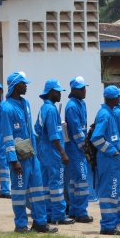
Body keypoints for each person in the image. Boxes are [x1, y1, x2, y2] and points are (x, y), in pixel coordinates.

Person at [1, 72, 57, 233]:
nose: (26, 86)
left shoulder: (25, 103)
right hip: (19, 158)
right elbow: (7, 136)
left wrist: (36, 153)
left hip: (32, 156)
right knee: (19, 192)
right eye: (23, 83)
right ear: (14, 86)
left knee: (37, 190)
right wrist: (13, 160)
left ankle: (40, 222)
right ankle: (20, 225)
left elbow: (31, 132)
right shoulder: (6, 108)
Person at [91, 85, 120, 235]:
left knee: (118, 193)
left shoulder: (111, 113)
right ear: (113, 98)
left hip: (114, 161)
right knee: (110, 192)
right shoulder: (105, 115)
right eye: (118, 97)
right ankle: (107, 226)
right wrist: (113, 151)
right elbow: (96, 138)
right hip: (107, 161)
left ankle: (118, 223)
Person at [34, 79, 74, 225]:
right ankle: (59, 215)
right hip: (53, 153)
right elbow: (53, 135)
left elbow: (37, 129)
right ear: (51, 92)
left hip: (43, 151)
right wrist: (62, 152)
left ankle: (48, 213)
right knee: (57, 185)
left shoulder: (44, 108)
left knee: (45, 184)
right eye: (57, 92)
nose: (60, 94)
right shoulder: (51, 110)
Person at [64, 76, 93, 223]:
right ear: (73, 90)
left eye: (85, 88)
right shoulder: (72, 106)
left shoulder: (81, 104)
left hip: (79, 149)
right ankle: (81, 211)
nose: (84, 91)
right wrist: (85, 148)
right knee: (81, 179)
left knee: (77, 180)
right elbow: (76, 131)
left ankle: (75, 210)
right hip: (76, 149)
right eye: (81, 89)